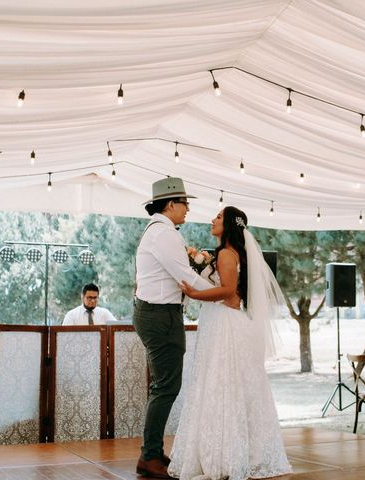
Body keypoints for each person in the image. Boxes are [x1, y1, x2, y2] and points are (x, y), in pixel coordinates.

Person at [168, 206, 291, 480]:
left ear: (230, 226)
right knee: (228, 385)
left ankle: (222, 455)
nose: (213, 220)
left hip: (224, 324)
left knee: (220, 383)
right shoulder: (232, 253)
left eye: (219, 217)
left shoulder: (225, 253)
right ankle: (243, 451)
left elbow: (228, 292)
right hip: (223, 322)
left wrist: (193, 292)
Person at [134, 177, 213, 480]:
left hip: (158, 313)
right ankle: (149, 456)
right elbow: (185, 276)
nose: (188, 210)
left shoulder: (161, 232)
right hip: (160, 315)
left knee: (165, 385)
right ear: (170, 204)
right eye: (185, 204)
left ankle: (152, 452)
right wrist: (221, 294)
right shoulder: (164, 235)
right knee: (166, 386)